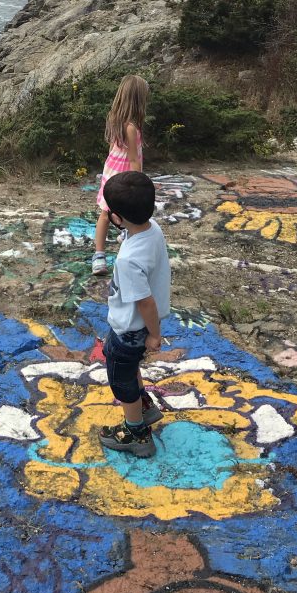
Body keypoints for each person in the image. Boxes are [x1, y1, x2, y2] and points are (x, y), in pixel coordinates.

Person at [98, 171, 171, 458]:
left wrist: (154, 335)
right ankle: (144, 406)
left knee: (121, 380)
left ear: (117, 218)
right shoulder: (152, 229)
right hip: (134, 327)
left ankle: (137, 433)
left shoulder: (129, 261)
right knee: (126, 366)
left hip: (131, 329)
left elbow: (145, 303)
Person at [91, 74, 148, 276]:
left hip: (112, 170)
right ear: (138, 100)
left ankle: (101, 252)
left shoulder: (116, 119)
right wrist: (139, 184)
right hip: (124, 176)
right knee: (115, 212)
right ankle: (99, 254)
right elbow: (133, 159)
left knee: (107, 213)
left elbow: (111, 150)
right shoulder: (131, 127)